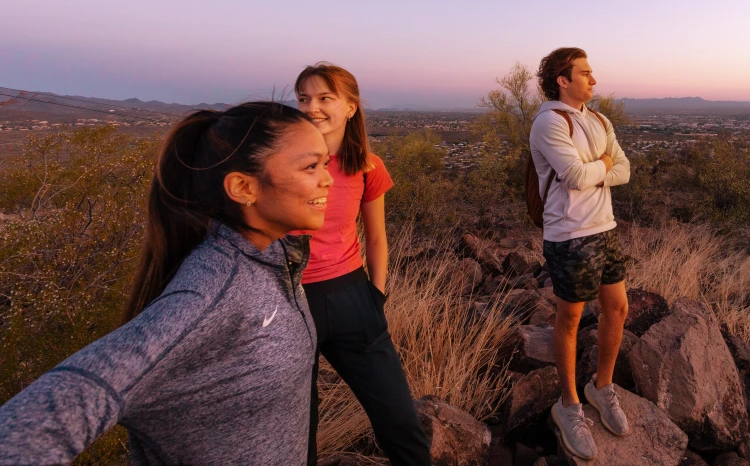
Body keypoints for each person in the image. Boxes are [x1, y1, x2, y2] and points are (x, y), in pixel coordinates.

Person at [0, 101, 331, 465]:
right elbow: (60, 404)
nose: (328, 179)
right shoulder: (212, 291)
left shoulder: (274, 256)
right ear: (242, 186)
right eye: (311, 166)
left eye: (325, 164)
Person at [294, 63, 430, 466]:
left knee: (400, 423)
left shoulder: (366, 166)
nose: (311, 108)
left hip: (353, 296)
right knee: (300, 435)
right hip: (290, 300)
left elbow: (376, 237)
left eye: (324, 98)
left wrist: (376, 294)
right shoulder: (279, 164)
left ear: (351, 108)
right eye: (303, 98)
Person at [529, 47, 632, 460]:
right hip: (570, 234)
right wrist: (603, 163)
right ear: (562, 79)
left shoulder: (600, 120)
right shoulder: (549, 122)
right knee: (570, 318)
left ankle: (601, 387)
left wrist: (600, 167)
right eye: (585, 73)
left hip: (604, 229)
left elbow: (624, 170)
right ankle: (568, 405)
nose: (594, 80)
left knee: (618, 309)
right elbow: (573, 175)